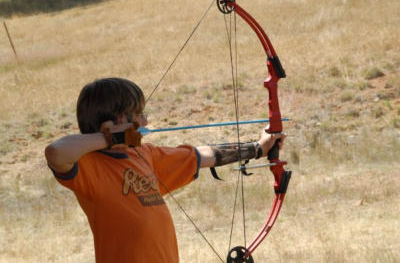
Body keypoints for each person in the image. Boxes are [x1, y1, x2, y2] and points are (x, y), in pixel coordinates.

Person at [45, 77, 285, 263]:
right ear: (115, 122)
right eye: (137, 115)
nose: (145, 122)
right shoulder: (89, 166)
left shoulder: (145, 155)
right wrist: (109, 138)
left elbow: (203, 155)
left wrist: (257, 148)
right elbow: (55, 153)